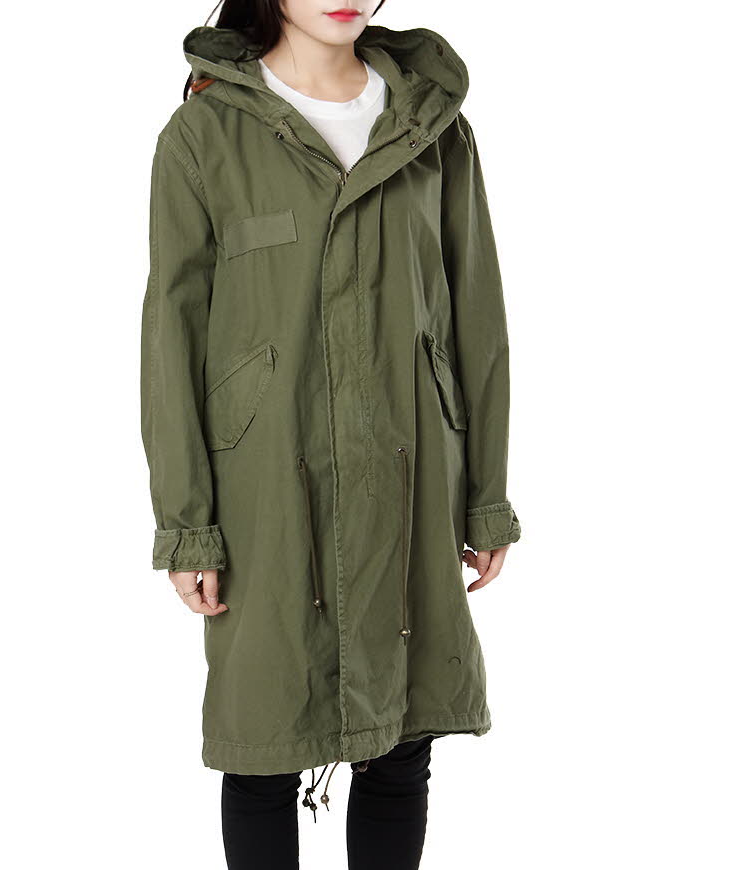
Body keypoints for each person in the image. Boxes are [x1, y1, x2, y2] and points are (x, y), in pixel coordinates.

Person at [140, 1, 522, 867]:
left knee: (404, 740)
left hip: (411, 467)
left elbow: (478, 318)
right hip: (268, 484)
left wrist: (487, 494)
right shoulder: (205, 134)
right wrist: (187, 524)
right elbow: (171, 339)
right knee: (265, 745)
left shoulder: (433, 127)